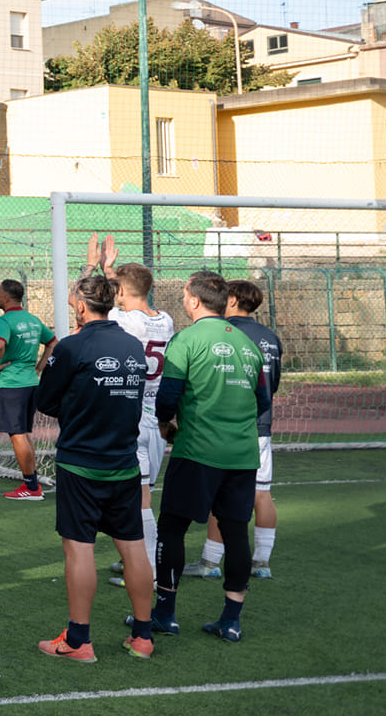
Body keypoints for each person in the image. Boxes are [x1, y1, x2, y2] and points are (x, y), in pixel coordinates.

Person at [32, 275, 156, 661]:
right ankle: (143, 637)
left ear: (82, 306)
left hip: (81, 463)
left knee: (79, 548)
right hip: (125, 463)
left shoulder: (72, 346)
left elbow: (45, 401)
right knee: (133, 548)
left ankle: (78, 641)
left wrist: (77, 405)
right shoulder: (132, 344)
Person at [149, 271, 269, 644]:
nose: (183, 300)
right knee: (235, 533)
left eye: (185, 294)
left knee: (172, 528)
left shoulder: (185, 340)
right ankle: (231, 621)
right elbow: (263, 401)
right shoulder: (249, 345)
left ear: (195, 301)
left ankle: (165, 615)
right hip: (242, 455)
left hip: (197, 451)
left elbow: (167, 399)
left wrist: (167, 424)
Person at [88, 237, 174, 585]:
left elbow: (92, 302)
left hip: (131, 416)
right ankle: (137, 561)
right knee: (140, 495)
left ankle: (147, 570)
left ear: (121, 291)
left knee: (137, 501)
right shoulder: (165, 320)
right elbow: (124, 294)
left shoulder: (124, 322)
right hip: (155, 416)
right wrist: (111, 271)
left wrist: (96, 267)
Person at [193, 279, 282, 581]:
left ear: (231, 300)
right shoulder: (269, 337)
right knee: (262, 493)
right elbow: (272, 385)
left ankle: (210, 561)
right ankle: (262, 562)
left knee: (222, 494)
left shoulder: (224, 332)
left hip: (229, 426)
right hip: (262, 426)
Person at [0, 279, 53, 500]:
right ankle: (31, 483)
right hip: (30, 383)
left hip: (12, 384)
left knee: (17, 435)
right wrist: (39, 368)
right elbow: (53, 343)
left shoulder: (5, 320)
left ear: (6, 297)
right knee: (23, 434)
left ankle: (32, 488)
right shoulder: (33, 320)